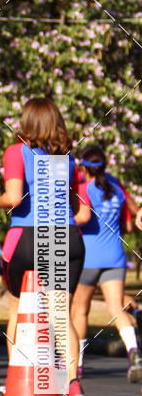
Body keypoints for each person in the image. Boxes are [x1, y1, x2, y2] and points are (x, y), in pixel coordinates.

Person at [0, 98, 90, 396]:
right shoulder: (68, 161)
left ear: (27, 121)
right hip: (67, 238)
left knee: (17, 310)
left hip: (29, 237)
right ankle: (71, 383)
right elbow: (78, 211)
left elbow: (14, 198)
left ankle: (16, 378)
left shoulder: (16, 152)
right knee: (61, 315)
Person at [71, 145, 142, 382]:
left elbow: (84, 217)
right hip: (115, 257)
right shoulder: (116, 185)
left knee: (79, 311)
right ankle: (134, 351)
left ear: (84, 167)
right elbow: (134, 210)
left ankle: (77, 366)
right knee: (116, 308)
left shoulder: (82, 186)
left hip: (89, 258)